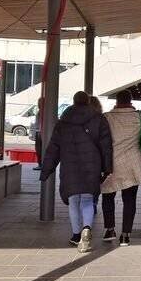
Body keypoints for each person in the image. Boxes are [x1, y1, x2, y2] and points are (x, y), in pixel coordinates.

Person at [39, 91, 112, 252]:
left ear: (73, 101)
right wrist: (107, 168)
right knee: (87, 199)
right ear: (87, 102)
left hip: (69, 167)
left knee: (73, 201)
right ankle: (87, 228)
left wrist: (46, 171)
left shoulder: (63, 122)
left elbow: (53, 148)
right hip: (91, 166)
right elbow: (106, 146)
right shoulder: (99, 119)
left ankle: (76, 234)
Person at [100, 90, 141, 246]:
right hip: (132, 165)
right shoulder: (140, 117)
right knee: (130, 199)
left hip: (110, 165)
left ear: (117, 101)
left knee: (107, 196)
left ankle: (109, 230)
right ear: (131, 101)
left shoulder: (106, 117)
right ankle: (125, 235)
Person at [33, 96, 45, 171]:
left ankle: (41, 164)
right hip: (39, 132)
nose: (38, 104)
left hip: (40, 132)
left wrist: (40, 132)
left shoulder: (43, 112)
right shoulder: (40, 111)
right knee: (38, 149)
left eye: (39, 102)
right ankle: (40, 164)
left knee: (39, 149)